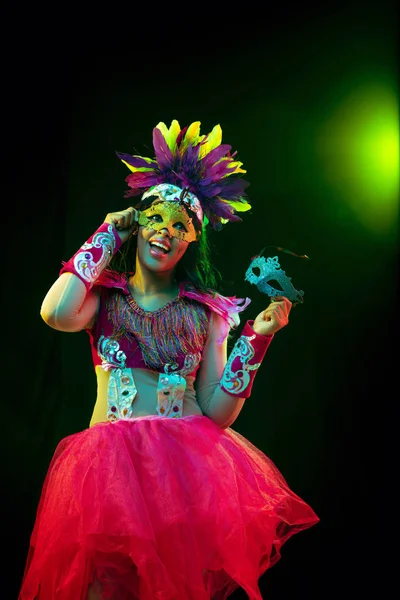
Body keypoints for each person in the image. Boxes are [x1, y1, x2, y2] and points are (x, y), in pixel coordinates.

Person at [19, 119, 319, 600]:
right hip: (108, 476)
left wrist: (257, 340)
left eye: (181, 226)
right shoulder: (102, 299)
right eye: (155, 217)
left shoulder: (209, 313)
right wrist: (106, 233)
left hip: (183, 479)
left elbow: (217, 413)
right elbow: (54, 312)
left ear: (193, 239)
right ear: (137, 222)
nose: (165, 231)